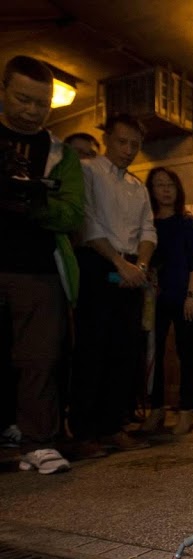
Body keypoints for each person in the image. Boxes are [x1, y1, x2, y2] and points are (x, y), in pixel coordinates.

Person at [0, 55, 84, 474]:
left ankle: (38, 441)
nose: (33, 111)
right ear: (3, 90)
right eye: (23, 99)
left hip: (39, 269)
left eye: (42, 103)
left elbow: (73, 215)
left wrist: (35, 203)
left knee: (39, 359)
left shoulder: (60, 155)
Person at [69, 112, 156, 456]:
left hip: (133, 270)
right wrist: (118, 264)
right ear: (107, 139)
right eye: (122, 141)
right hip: (97, 264)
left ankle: (114, 426)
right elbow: (87, 223)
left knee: (125, 352)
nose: (129, 149)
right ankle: (84, 433)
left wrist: (139, 266)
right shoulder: (87, 171)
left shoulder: (138, 186)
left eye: (135, 144)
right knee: (93, 350)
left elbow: (148, 231)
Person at [141, 167, 193, 435]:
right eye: (159, 185)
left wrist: (191, 295)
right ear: (151, 191)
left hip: (183, 296)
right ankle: (156, 410)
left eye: (171, 184)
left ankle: (186, 410)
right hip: (152, 299)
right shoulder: (146, 225)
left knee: (188, 354)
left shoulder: (187, 222)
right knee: (151, 355)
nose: (166, 190)